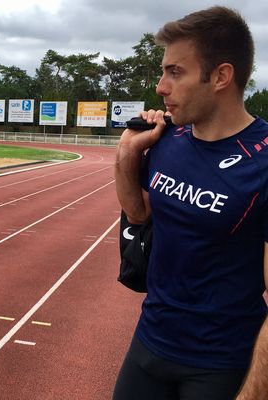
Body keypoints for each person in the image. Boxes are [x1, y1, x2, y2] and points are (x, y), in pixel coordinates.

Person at [113, 6, 268, 400]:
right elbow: (139, 214)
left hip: (220, 363)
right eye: (164, 71)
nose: (161, 86)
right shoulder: (167, 140)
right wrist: (127, 157)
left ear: (221, 76)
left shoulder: (264, 163)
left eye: (175, 72)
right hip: (150, 341)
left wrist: (252, 394)